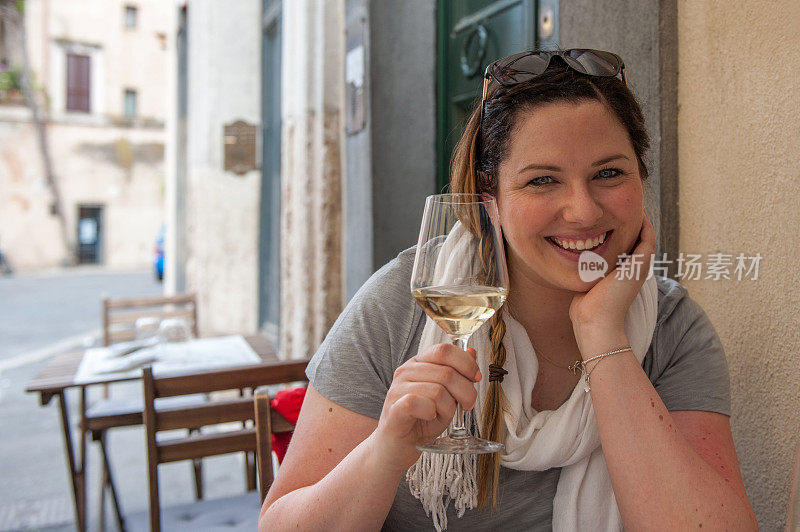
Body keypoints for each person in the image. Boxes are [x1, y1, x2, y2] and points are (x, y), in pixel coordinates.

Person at [259, 49, 757, 530]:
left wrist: (603, 333)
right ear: (490, 198)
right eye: (542, 181)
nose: (583, 210)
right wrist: (385, 451)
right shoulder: (404, 302)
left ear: (641, 179)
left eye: (609, 173)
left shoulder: (672, 327)